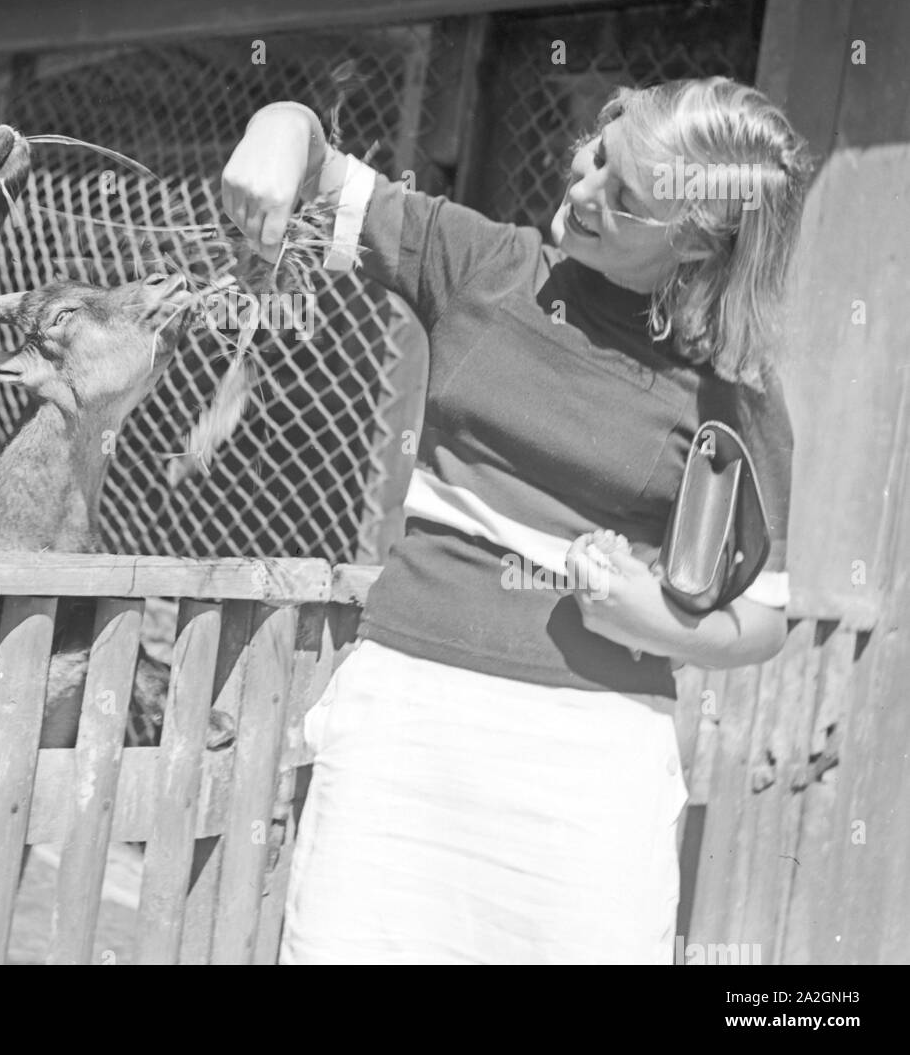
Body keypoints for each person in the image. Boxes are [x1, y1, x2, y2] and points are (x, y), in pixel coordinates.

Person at [219, 77, 812, 964]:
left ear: (696, 244)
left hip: (588, 766)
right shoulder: (486, 267)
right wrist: (277, 124)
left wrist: (655, 622)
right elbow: (319, 169)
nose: (582, 191)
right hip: (405, 725)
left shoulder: (733, 391)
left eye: (625, 199)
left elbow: (764, 619)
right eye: (599, 155)